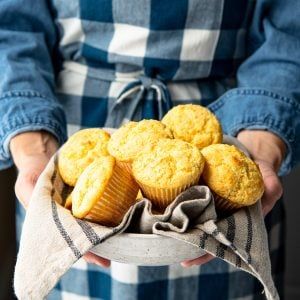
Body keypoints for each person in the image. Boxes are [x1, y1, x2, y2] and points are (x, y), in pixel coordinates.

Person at [1, 0, 299, 299]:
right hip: (76, 126)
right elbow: (13, 28)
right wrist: (31, 148)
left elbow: (290, 30)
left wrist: (263, 136)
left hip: (236, 123)